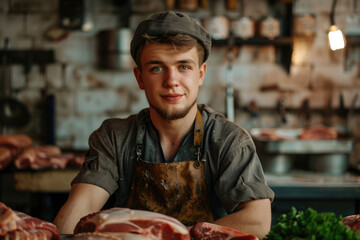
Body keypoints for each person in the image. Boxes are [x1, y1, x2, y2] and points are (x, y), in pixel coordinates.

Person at [54, 11, 274, 239]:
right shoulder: (114, 137)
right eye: (157, 68)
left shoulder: (228, 139)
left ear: (201, 74)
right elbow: (81, 205)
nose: (171, 81)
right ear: (139, 78)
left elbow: (257, 219)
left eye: (184, 67)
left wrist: (178, 236)